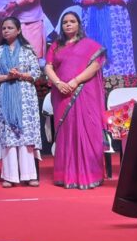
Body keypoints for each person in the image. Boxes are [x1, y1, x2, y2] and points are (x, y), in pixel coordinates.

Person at [44, 11, 106, 189]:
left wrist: (75, 81)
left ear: (79, 24)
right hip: (62, 93)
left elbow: (95, 66)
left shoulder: (90, 45)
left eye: (72, 21)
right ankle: (67, 175)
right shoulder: (56, 46)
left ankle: (89, 175)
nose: (68, 24)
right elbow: (48, 67)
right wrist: (58, 83)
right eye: (65, 22)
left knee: (87, 130)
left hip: (84, 92)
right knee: (67, 132)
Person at [0, 17, 42, 187]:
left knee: (25, 134)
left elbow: (36, 73)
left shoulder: (27, 50)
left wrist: (20, 75)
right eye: (4, 28)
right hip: (5, 96)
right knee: (9, 134)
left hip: (25, 97)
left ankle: (29, 174)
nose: (6, 31)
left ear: (18, 30)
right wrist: (8, 77)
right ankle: (9, 176)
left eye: (10, 28)